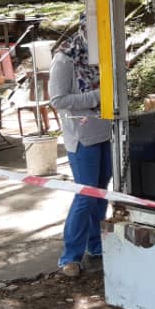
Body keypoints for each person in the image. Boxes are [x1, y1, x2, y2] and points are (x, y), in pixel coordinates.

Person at [47, 18, 112, 278]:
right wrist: (99, 95)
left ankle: (96, 246)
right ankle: (70, 256)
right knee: (85, 195)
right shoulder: (65, 59)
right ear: (85, 31)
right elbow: (58, 100)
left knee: (100, 193)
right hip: (81, 136)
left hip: (105, 131)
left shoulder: (104, 55)